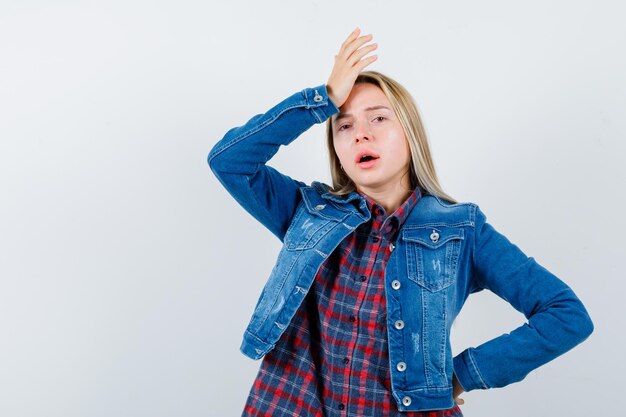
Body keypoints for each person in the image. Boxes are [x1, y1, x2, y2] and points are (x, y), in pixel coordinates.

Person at [208, 27, 594, 416]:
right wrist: (323, 100)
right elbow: (229, 161)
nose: (361, 134)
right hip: (291, 404)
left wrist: (462, 374)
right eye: (344, 125)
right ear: (337, 150)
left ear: (411, 136)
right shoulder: (306, 211)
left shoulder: (463, 231)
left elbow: (566, 315)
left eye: (378, 119)